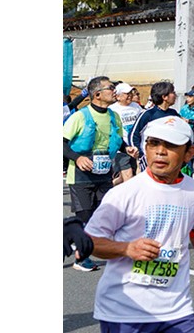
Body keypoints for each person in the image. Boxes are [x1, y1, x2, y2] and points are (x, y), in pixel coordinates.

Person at [85, 116, 194, 332]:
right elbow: (90, 241)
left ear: (189, 153)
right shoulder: (123, 193)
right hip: (125, 310)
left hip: (177, 309)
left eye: (171, 145)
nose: (160, 151)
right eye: (153, 143)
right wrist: (127, 249)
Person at [63, 75, 123, 272]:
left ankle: (80, 248)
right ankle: (81, 257)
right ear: (97, 94)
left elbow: (118, 140)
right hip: (81, 178)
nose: (114, 91)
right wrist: (77, 158)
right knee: (86, 218)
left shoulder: (115, 117)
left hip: (104, 175)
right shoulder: (80, 116)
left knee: (103, 216)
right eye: (110, 88)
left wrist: (128, 148)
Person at [130, 82, 181, 172]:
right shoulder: (148, 114)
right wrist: (141, 154)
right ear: (164, 97)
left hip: (168, 158)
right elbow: (133, 135)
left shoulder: (174, 114)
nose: (175, 95)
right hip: (149, 159)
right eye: (172, 92)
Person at [109, 82, 144, 183]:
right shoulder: (112, 109)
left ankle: (111, 187)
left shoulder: (136, 107)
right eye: (126, 94)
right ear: (118, 96)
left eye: (130, 93)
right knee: (128, 175)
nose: (129, 96)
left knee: (133, 173)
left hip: (136, 146)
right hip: (122, 148)